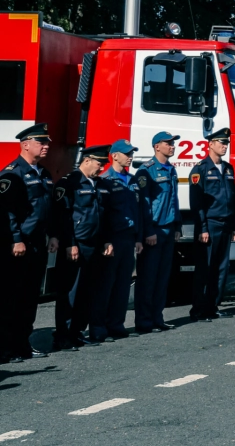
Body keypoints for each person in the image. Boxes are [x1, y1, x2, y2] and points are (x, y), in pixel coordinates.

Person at [2, 123, 57, 362]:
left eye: (46, 143)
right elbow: (7, 211)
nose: (46, 147)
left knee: (29, 298)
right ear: (25, 145)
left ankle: (23, 344)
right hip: (19, 245)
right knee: (11, 298)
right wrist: (16, 239)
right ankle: (6, 348)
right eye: (41, 143)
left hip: (37, 244)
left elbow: (49, 209)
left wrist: (53, 234)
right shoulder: (12, 173)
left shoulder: (43, 173)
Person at [50, 144, 109, 351]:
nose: (101, 167)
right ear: (86, 160)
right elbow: (63, 217)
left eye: (103, 164)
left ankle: (77, 332)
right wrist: (70, 244)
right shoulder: (70, 183)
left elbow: (103, 216)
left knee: (86, 292)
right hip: (76, 246)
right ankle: (62, 336)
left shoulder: (99, 184)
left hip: (93, 244)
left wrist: (105, 241)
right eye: (98, 163)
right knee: (70, 293)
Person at [91, 139, 143, 341]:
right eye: (127, 153)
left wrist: (138, 237)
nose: (131, 157)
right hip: (112, 239)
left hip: (129, 238)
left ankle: (116, 324)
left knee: (122, 284)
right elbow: (102, 215)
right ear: (115, 156)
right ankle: (98, 327)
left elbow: (137, 211)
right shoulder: (105, 180)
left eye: (132, 153)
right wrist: (106, 240)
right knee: (105, 285)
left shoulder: (132, 180)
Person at [134, 132, 181, 333]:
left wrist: (177, 225)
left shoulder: (170, 169)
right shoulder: (147, 171)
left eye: (172, 143)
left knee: (162, 278)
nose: (172, 146)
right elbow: (143, 205)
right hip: (154, 230)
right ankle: (144, 322)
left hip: (168, 229)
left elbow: (174, 200)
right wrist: (149, 230)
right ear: (156, 146)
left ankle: (157, 318)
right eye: (168, 143)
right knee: (148, 278)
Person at [190, 127, 235, 321]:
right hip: (210, 224)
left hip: (226, 224)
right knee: (205, 268)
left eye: (226, 143)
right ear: (210, 144)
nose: (224, 146)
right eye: (221, 142)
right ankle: (199, 309)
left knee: (221, 268)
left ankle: (213, 306)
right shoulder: (200, 169)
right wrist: (202, 228)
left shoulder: (228, 168)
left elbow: (233, 199)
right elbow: (197, 202)